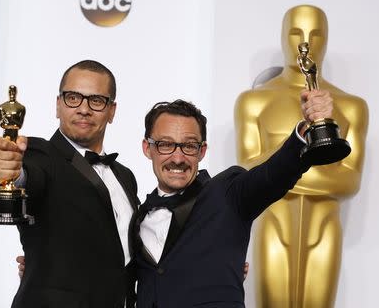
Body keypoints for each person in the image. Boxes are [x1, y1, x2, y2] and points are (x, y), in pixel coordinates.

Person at [132, 87, 332, 307]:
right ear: (147, 148)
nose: (178, 158)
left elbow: (272, 175)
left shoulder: (228, 193)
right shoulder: (138, 215)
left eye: (189, 146)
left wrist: (306, 131)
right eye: (166, 145)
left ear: (202, 151)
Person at [234, 5, 368, 307]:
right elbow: (248, 170)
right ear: (283, 37)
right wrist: (320, 160)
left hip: (325, 227)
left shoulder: (351, 106)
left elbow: (349, 181)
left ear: (328, 39)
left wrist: (283, 167)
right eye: (296, 32)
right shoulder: (254, 102)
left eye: (316, 33)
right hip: (274, 223)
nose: (305, 42)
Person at [0, 60, 139, 308]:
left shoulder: (125, 177)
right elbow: (28, 177)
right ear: (58, 105)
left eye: (96, 100)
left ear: (112, 111)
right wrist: (10, 172)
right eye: (73, 98)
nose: (83, 109)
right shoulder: (41, 154)